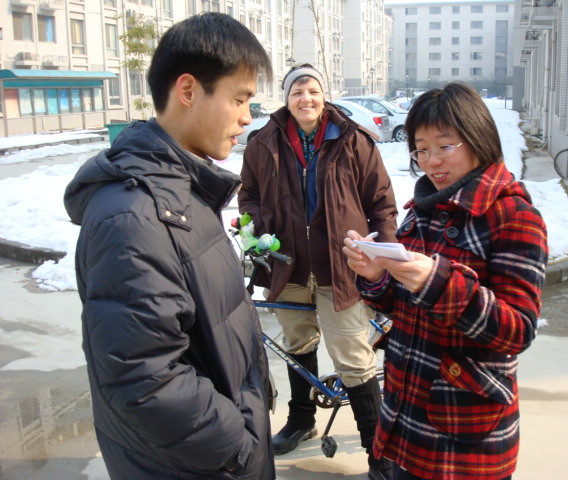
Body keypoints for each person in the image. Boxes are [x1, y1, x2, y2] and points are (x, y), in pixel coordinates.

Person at [63, 13, 275, 480]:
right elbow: (143, 379)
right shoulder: (133, 216)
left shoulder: (183, 191)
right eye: (239, 99)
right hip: (197, 464)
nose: (247, 117)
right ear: (188, 90)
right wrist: (238, 447)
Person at [342, 82, 549, 480]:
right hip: (406, 414)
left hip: (465, 428)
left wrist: (436, 282)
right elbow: (400, 303)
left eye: (445, 146)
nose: (431, 161)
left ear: (478, 139)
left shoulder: (514, 216)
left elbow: (517, 329)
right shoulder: (422, 209)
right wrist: (376, 277)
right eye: (421, 149)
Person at [238, 64, 398, 480]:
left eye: (312, 90)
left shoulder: (353, 140)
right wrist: (257, 227)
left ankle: (377, 452)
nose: (305, 98)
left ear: (323, 95)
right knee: (297, 342)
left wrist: (380, 251)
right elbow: (249, 194)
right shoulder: (264, 142)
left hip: (341, 267)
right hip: (286, 265)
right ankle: (302, 419)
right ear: (286, 98)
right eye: (296, 92)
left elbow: (381, 202)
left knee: (353, 356)